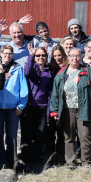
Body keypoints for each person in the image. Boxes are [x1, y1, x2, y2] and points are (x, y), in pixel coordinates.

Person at [49, 48, 91, 168]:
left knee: (85, 136)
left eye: (77, 56)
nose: (75, 58)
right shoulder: (61, 74)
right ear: (68, 57)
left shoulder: (88, 70)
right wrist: (54, 111)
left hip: (84, 109)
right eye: (72, 56)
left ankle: (87, 162)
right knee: (68, 137)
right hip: (67, 110)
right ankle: (70, 162)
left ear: (81, 57)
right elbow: (55, 94)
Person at [0, 45, 28, 173]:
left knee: (11, 136)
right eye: (5, 53)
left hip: (12, 108)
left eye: (10, 53)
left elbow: (23, 88)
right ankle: (1, 160)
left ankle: (12, 160)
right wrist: (0, 75)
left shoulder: (18, 68)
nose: (7, 56)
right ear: (1, 54)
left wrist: (21, 105)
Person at [21, 45, 54, 173]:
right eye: (38, 55)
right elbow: (27, 72)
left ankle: (36, 160)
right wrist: (31, 55)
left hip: (42, 107)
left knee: (39, 135)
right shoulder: (32, 67)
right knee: (27, 135)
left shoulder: (49, 71)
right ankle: (25, 160)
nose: (40, 57)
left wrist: (50, 109)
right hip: (29, 107)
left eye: (43, 55)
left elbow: (50, 91)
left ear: (46, 57)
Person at [45, 45, 68, 165]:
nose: (58, 58)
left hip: (63, 104)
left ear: (63, 55)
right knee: (50, 131)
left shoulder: (68, 68)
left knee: (61, 132)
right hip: (50, 103)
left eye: (59, 55)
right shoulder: (49, 68)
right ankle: (49, 156)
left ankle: (60, 155)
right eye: (55, 56)